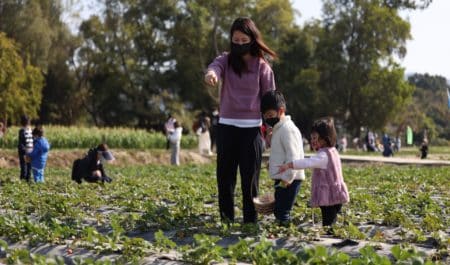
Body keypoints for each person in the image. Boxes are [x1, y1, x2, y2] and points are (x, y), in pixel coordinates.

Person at [204, 17, 276, 223]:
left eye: (244, 40)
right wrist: (211, 75)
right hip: (226, 127)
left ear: (252, 40)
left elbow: (270, 100)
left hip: (251, 131)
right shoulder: (226, 60)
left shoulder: (263, 67)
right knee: (225, 178)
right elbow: (214, 68)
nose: (240, 44)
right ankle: (226, 219)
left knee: (250, 179)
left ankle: (250, 221)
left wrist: (271, 129)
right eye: (236, 40)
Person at [277, 117, 349, 229]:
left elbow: (308, 162)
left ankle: (330, 233)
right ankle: (332, 229)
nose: (312, 141)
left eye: (315, 138)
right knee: (331, 219)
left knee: (328, 221)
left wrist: (289, 165)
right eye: (311, 138)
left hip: (328, 197)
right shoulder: (333, 151)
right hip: (336, 193)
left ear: (325, 138)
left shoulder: (323, 155)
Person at [261, 91, 305, 225]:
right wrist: (272, 163)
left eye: (270, 115)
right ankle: (282, 227)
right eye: (265, 116)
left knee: (282, 210)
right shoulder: (279, 129)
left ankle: (284, 230)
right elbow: (280, 153)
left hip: (290, 179)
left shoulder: (288, 130)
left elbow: (293, 156)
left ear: (280, 111)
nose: (268, 119)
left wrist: (287, 178)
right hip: (282, 177)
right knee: (279, 209)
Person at [18, 115, 33, 181]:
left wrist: (23, 152)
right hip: (30, 150)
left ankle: (23, 179)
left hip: (24, 151)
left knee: (24, 166)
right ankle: (28, 179)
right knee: (29, 165)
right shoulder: (31, 130)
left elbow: (21, 143)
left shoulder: (22, 131)